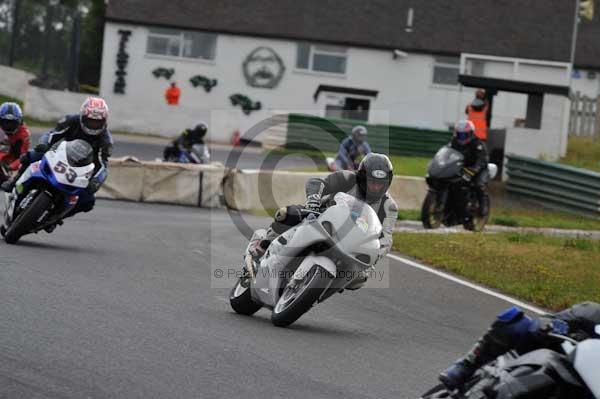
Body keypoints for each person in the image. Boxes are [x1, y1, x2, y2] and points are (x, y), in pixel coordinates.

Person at [248, 153, 398, 289]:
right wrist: (313, 200)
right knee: (285, 214)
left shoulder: (388, 206)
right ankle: (261, 248)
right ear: (362, 177)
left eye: (380, 184)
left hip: (350, 242)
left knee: (359, 278)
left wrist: (375, 253)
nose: (375, 187)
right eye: (372, 182)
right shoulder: (348, 178)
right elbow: (317, 183)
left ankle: (317, 288)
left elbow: (386, 237)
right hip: (320, 217)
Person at [1, 97, 113, 230]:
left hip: (81, 168)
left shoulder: (106, 140)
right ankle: (14, 181)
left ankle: (56, 218)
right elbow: (52, 134)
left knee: (88, 201)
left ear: (104, 121)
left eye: (97, 122)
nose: (93, 125)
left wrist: (96, 181)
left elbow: (103, 165)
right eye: (90, 121)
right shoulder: (71, 120)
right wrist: (43, 144)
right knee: (31, 155)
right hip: (60, 154)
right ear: (83, 116)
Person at [440, 302, 600, 390]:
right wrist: (552, 326)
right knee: (519, 323)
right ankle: (466, 365)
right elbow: (548, 321)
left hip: (587, 389)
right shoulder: (592, 313)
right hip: (552, 363)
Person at [449, 120, 490, 216]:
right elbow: (447, 152)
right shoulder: (454, 142)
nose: (461, 138)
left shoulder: (478, 144)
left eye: (464, 135)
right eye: (459, 135)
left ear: (470, 133)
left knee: (478, 185)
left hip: (479, 169)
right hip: (462, 167)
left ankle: (483, 205)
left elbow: (482, 159)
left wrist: (474, 169)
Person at [0, 102, 30, 174]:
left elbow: (23, 156)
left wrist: (10, 167)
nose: (8, 126)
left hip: (9, 165)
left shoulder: (24, 134)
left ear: (19, 121)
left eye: (12, 123)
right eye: (6, 122)